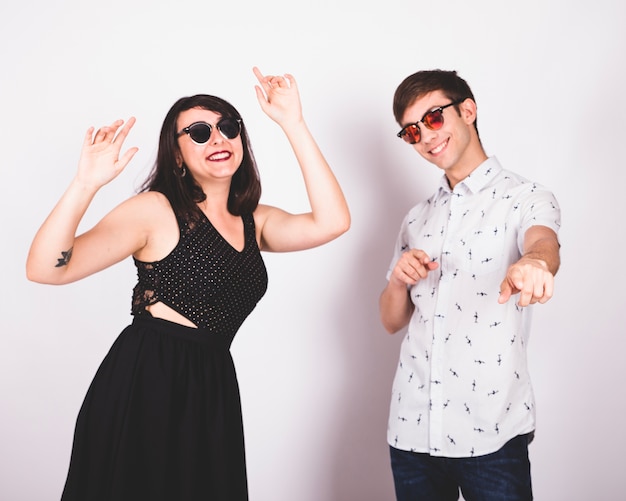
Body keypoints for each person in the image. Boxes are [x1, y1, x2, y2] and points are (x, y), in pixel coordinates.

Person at [26, 66, 350, 501]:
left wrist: (293, 124)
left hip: (213, 387)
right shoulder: (154, 211)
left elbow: (333, 222)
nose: (217, 139)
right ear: (177, 156)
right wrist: (85, 184)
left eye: (227, 128)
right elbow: (46, 269)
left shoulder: (255, 221)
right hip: (148, 382)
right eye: (198, 133)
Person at [379, 69, 561, 501]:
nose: (425, 136)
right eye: (411, 131)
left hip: (492, 431)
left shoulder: (526, 197)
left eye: (434, 118)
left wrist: (535, 263)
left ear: (468, 110)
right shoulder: (416, 218)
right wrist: (399, 282)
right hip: (412, 429)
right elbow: (390, 321)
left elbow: (543, 243)